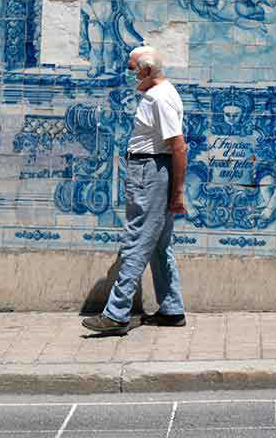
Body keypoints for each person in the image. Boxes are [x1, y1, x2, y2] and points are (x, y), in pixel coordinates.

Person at [81, 45, 187, 335]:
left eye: (131, 68)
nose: (128, 74)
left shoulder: (158, 98)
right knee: (159, 245)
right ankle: (172, 308)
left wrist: (177, 193)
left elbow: (179, 147)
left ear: (147, 70)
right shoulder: (162, 94)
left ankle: (116, 314)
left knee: (137, 241)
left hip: (150, 172)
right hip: (153, 170)